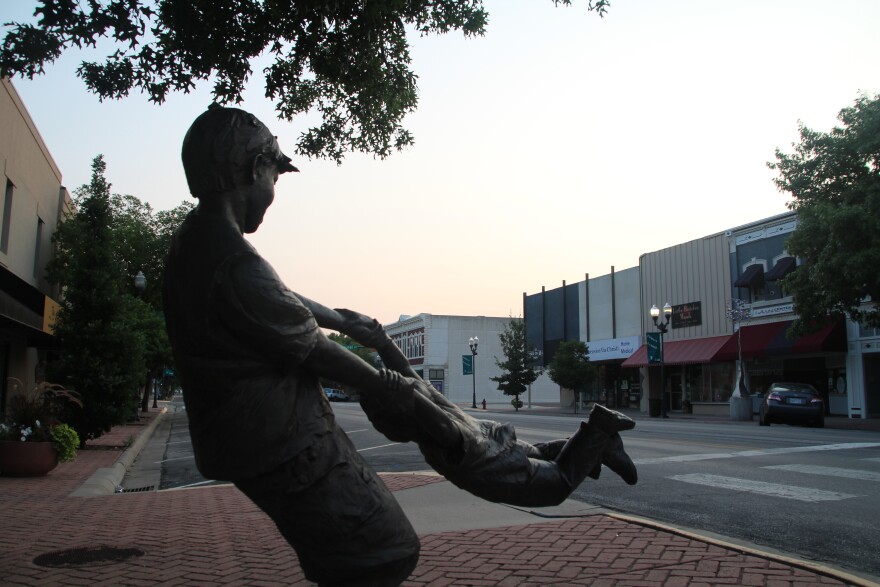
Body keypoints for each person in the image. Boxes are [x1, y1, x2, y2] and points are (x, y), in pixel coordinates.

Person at [164, 104, 637, 586]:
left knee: (363, 547)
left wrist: (351, 324)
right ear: (252, 168)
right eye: (273, 177)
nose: (271, 193)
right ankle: (593, 441)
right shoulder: (236, 263)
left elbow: (278, 300)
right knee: (381, 551)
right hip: (285, 444)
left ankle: (591, 441)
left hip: (262, 438)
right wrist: (385, 382)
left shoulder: (197, 242)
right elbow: (310, 347)